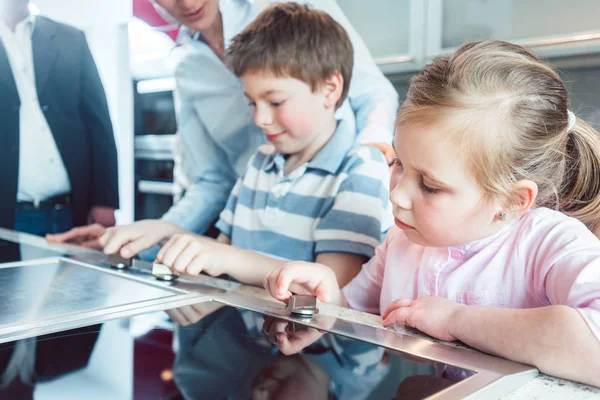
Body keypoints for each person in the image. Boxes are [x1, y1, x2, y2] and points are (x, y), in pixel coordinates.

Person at [264, 40, 600, 387]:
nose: (397, 194)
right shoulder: (404, 240)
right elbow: (356, 310)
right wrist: (326, 298)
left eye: (430, 185)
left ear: (512, 201)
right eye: (398, 163)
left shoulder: (551, 243)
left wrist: (456, 319)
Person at [48, 0, 397, 255]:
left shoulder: (290, 10)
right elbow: (212, 181)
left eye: (275, 102)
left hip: (333, 213)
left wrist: (367, 160)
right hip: (256, 228)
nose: (185, 2)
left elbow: (374, 93)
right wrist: (137, 239)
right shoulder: (187, 70)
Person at [136, 2, 390, 288]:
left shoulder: (360, 172)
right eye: (251, 103)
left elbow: (327, 291)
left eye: (276, 102)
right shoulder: (259, 164)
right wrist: (167, 243)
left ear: (330, 89)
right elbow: (222, 259)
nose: (260, 119)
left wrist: (226, 257)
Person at [0, 0, 119, 238]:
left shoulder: (71, 39)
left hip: (72, 212)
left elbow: (99, 122)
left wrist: (105, 200)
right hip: (8, 216)